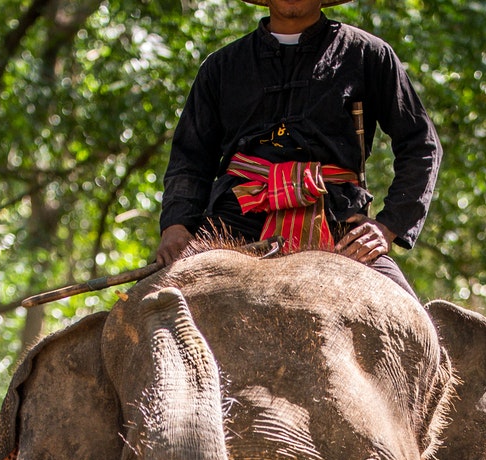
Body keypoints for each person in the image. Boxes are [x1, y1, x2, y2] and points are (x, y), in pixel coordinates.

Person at [154, 0, 441, 295]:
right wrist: (176, 225)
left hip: (338, 223)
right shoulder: (221, 66)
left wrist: (388, 226)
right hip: (233, 223)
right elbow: (190, 157)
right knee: (145, 307)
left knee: (414, 326)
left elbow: (422, 144)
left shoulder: (369, 55)